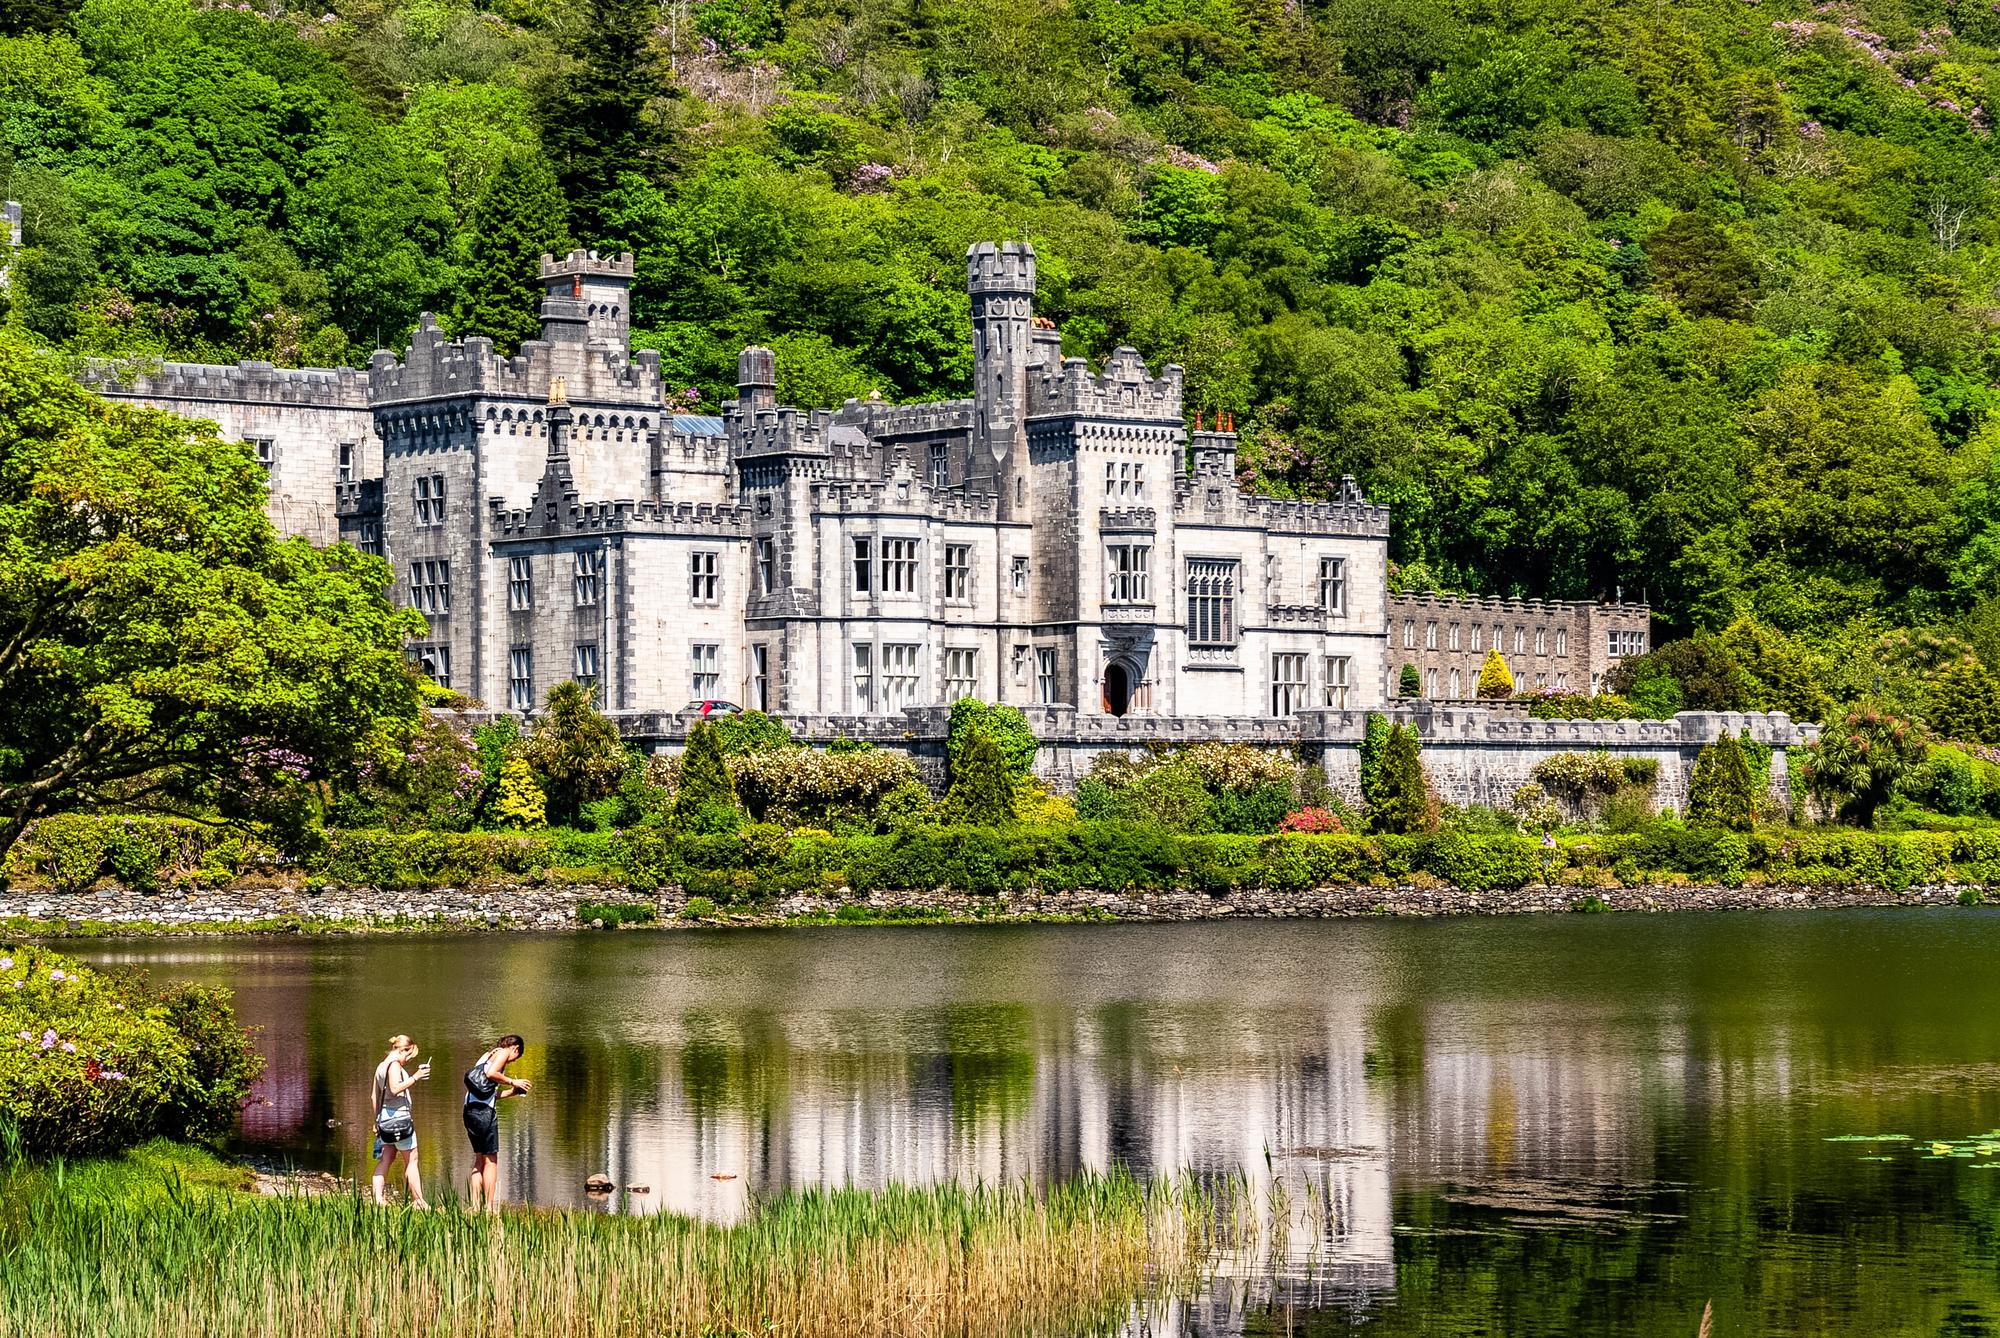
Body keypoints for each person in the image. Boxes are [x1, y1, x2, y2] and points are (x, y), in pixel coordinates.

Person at [463, 1034, 531, 1212]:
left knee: (479, 1159)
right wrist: (512, 1080)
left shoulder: (486, 1056)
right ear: (515, 1049)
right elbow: (491, 1073)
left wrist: (513, 1092)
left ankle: (475, 1206)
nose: (514, 1061)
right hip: (484, 1114)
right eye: (517, 1056)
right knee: (491, 1161)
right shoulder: (503, 1053)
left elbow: (489, 1093)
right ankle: (489, 1208)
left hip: (470, 1110)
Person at [370, 1035, 431, 1207]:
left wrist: (377, 1121)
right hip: (399, 1118)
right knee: (412, 1160)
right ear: (401, 1050)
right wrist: (415, 1077)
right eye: (408, 1056)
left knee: (386, 1159)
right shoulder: (394, 1065)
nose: (407, 1060)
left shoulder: (381, 1066)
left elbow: (374, 1096)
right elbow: (395, 1088)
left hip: (385, 1119)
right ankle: (418, 1201)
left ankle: (378, 1198)